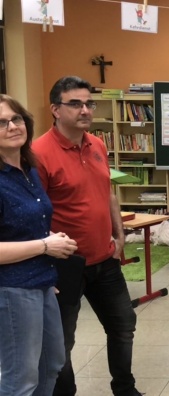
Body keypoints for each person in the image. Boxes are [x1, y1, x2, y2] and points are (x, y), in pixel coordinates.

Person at [32, 76, 142, 396]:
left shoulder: (98, 144)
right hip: (64, 264)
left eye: (88, 103)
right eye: (75, 103)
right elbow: (33, 214)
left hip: (105, 258)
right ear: (55, 109)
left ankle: (125, 388)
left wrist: (119, 236)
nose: (85, 110)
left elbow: (107, 192)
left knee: (123, 326)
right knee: (62, 341)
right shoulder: (38, 153)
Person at [0, 94, 78, 396]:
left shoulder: (28, 170)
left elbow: (31, 228)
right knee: (21, 379)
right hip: (12, 289)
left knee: (51, 365)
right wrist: (45, 247)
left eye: (16, 119)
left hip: (42, 283)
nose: (12, 126)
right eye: (2, 123)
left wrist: (47, 266)